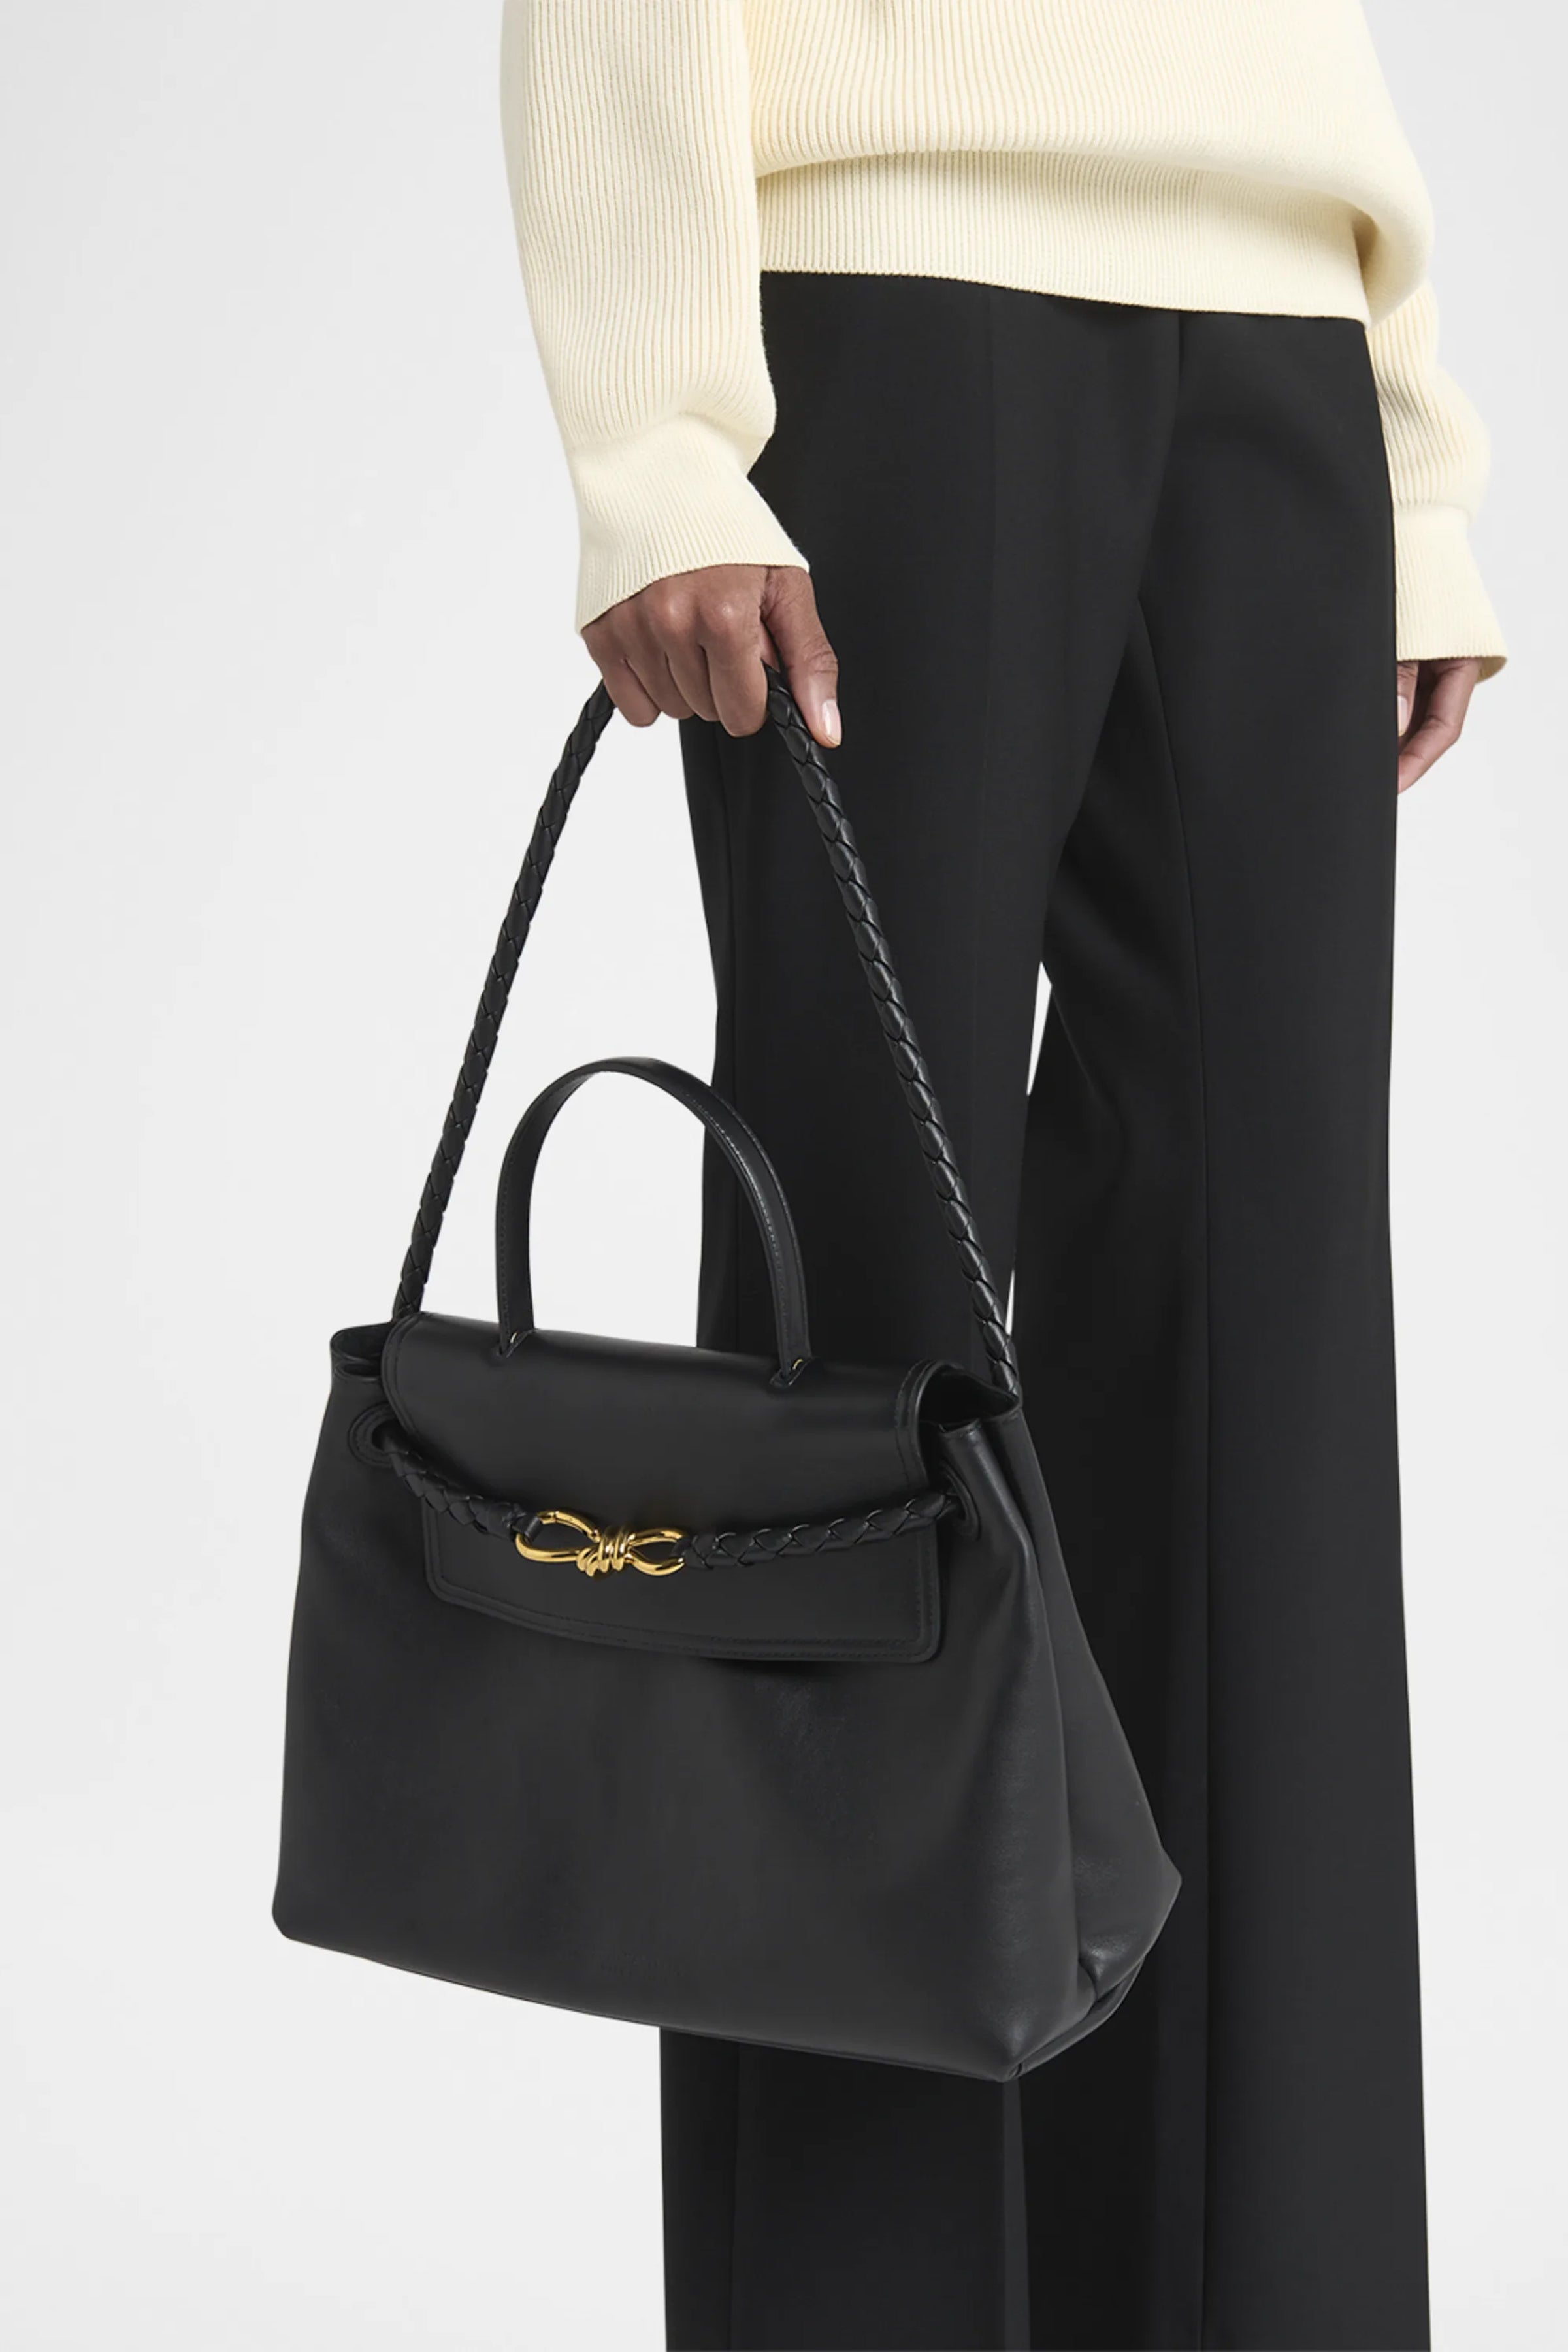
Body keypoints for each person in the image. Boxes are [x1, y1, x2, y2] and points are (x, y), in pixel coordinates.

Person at [500, 8, 1504, 2349]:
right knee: (870, 1375)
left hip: (1278, 341)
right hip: (894, 304)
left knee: (1270, 1383)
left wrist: (1406, 442)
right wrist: (659, 434)